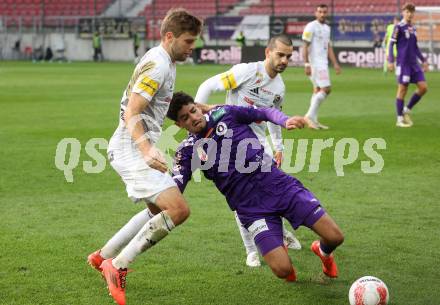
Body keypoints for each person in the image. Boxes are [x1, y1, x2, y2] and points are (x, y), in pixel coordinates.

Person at [87, 9, 202, 305]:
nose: (192, 47)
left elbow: (158, 107)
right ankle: (118, 265)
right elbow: (132, 111)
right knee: (178, 210)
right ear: (169, 37)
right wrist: (146, 148)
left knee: (156, 210)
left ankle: (103, 256)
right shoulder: (158, 66)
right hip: (131, 148)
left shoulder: (164, 61)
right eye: (189, 42)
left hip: (132, 146)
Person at [167, 92, 344, 282]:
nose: (193, 118)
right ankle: (279, 247)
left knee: (335, 237)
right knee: (283, 270)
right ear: (179, 125)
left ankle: (323, 253)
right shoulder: (187, 150)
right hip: (251, 208)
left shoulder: (225, 113)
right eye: (185, 118)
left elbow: (264, 112)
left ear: (198, 106)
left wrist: (285, 120)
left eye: (193, 111)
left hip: (279, 186)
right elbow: (174, 186)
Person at [194, 34, 301, 268]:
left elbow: (273, 117)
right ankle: (251, 250)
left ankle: (279, 232)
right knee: (242, 196)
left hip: (258, 144)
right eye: (280, 54)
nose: (284, 60)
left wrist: (278, 146)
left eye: (288, 57)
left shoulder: (279, 87)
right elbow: (208, 85)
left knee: (272, 189)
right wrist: (199, 123)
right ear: (268, 52)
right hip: (230, 142)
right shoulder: (246, 71)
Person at [388, 3, 429, 128]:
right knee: (402, 89)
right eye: (407, 11)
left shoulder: (413, 28)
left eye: (412, 12)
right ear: (403, 12)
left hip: (414, 64)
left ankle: (406, 110)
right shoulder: (398, 27)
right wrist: (391, 61)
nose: (410, 14)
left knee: (423, 87)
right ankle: (399, 119)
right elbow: (391, 44)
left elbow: (415, 47)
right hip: (403, 64)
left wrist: (423, 60)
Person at [302, 4, 341, 130]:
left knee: (318, 90)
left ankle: (314, 120)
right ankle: (308, 116)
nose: (322, 14)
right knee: (326, 89)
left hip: (323, 63)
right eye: (320, 12)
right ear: (316, 13)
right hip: (316, 64)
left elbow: (328, 47)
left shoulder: (327, 28)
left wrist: (335, 63)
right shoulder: (311, 26)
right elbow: (305, 46)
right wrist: (306, 64)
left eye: (324, 12)